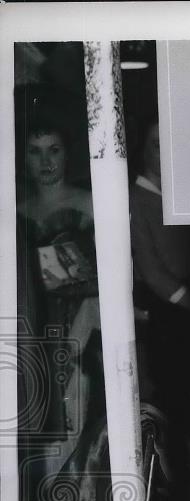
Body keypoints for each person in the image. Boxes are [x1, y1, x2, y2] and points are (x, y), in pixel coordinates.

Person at [17, 109, 100, 449]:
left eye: (54, 149)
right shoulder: (15, 211)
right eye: (34, 151)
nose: (45, 160)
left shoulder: (91, 204)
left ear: (67, 154)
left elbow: (107, 277)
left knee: (73, 433)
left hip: (76, 335)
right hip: (28, 334)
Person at [129, 118, 190, 423]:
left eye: (169, 146)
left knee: (184, 385)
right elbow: (151, 270)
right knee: (168, 390)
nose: (163, 154)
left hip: (185, 304)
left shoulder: (179, 198)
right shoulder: (137, 200)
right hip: (164, 305)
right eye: (156, 145)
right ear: (143, 151)